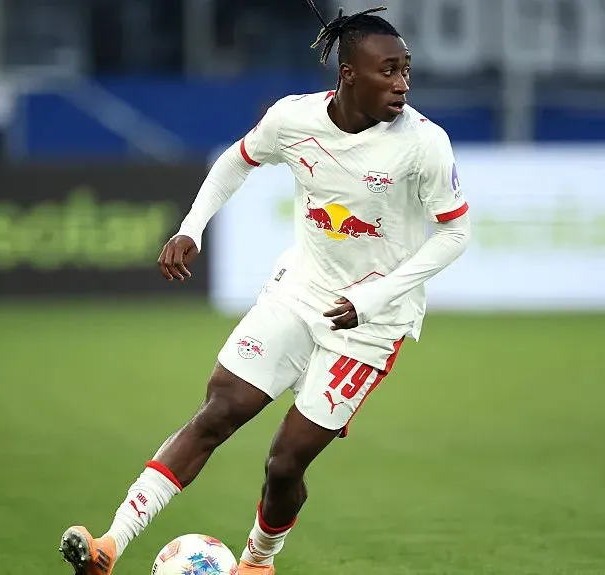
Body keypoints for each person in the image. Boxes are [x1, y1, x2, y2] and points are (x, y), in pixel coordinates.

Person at [59, 4, 472, 574]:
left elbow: (455, 233)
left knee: (285, 464)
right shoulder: (292, 119)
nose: (402, 84)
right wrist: (191, 227)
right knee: (217, 412)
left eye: (406, 70)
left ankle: (257, 560)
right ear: (348, 74)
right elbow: (236, 161)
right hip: (298, 292)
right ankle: (110, 545)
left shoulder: (424, 143)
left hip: (371, 325)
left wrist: (374, 298)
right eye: (388, 71)